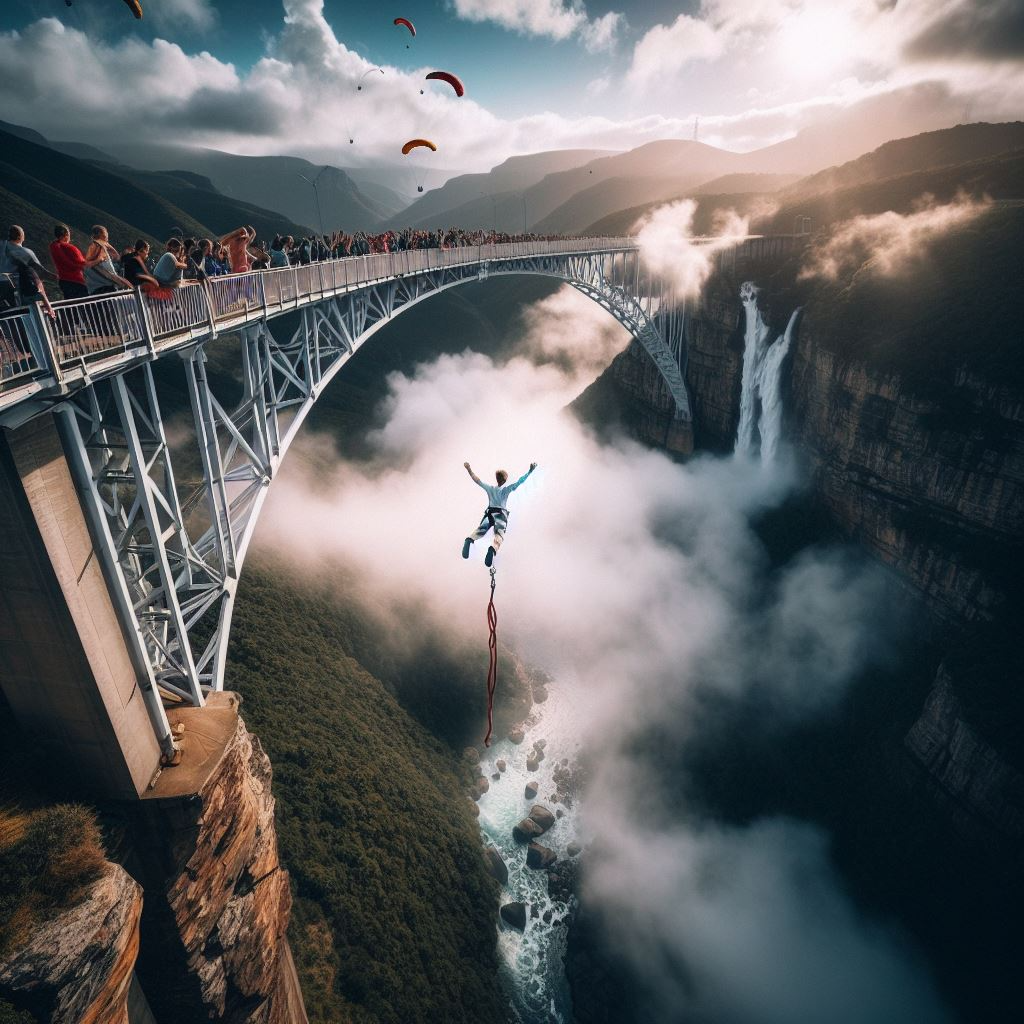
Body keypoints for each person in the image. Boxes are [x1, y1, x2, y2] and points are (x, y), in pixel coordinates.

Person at [462, 461, 537, 566]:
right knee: (499, 535)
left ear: (497, 479)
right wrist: (530, 471)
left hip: (489, 513)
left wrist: (469, 469)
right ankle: (492, 549)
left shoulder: (490, 489)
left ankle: (469, 540)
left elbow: (477, 480)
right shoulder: (506, 490)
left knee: (481, 529)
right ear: (505, 480)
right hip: (500, 514)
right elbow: (520, 482)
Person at [1, 225, 57, 294]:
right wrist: (58, 278)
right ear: (20, 237)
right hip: (14, 289)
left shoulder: (2, 245)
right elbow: (41, 271)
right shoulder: (26, 252)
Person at [84, 225, 130, 294]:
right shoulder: (99, 248)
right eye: (106, 233)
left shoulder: (94, 247)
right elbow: (109, 271)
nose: (107, 235)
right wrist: (122, 283)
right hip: (105, 289)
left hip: (94, 290)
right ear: (101, 234)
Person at [49, 225, 91, 300]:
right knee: (85, 305)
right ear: (66, 235)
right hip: (76, 281)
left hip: (63, 280)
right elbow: (82, 263)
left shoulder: (54, 247)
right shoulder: (70, 248)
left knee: (70, 305)